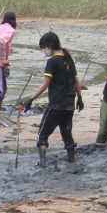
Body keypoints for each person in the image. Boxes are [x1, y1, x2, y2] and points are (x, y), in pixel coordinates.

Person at [20, 32, 83, 166]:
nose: (44, 52)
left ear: (49, 46)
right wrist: (80, 98)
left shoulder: (52, 62)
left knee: (42, 134)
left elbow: (45, 84)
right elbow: (76, 80)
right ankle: (72, 159)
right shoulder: (68, 58)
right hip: (69, 105)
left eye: (43, 48)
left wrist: (31, 99)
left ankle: (42, 163)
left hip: (56, 105)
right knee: (66, 133)